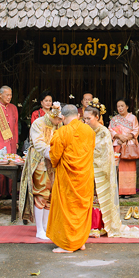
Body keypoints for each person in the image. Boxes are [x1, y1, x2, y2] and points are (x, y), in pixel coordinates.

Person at [47, 104, 97, 253]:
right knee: (81, 209)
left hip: (68, 179)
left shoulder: (61, 132)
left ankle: (68, 244)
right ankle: (80, 241)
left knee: (67, 210)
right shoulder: (89, 131)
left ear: (62, 117)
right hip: (85, 177)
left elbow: (54, 157)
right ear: (78, 116)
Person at [18, 102, 63, 240]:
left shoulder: (58, 125)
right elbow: (38, 144)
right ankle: (39, 229)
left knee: (51, 195)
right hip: (39, 161)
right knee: (41, 193)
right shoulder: (38, 123)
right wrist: (52, 154)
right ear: (52, 117)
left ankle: (46, 226)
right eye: (58, 120)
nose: (59, 123)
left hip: (53, 163)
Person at [84, 104, 122, 237]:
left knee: (98, 198)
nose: (86, 121)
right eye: (84, 119)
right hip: (87, 168)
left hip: (100, 169)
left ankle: (98, 225)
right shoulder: (85, 130)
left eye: (89, 118)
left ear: (97, 117)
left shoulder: (104, 131)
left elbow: (103, 152)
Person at [109, 98, 139, 199]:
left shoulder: (133, 118)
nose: (120, 108)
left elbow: (136, 130)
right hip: (117, 145)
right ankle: (116, 190)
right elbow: (110, 130)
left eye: (122, 106)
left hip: (128, 145)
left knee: (128, 168)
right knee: (116, 167)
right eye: (118, 106)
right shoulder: (114, 119)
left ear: (127, 107)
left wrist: (125, 138)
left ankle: (127, 191)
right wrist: (118, 136)